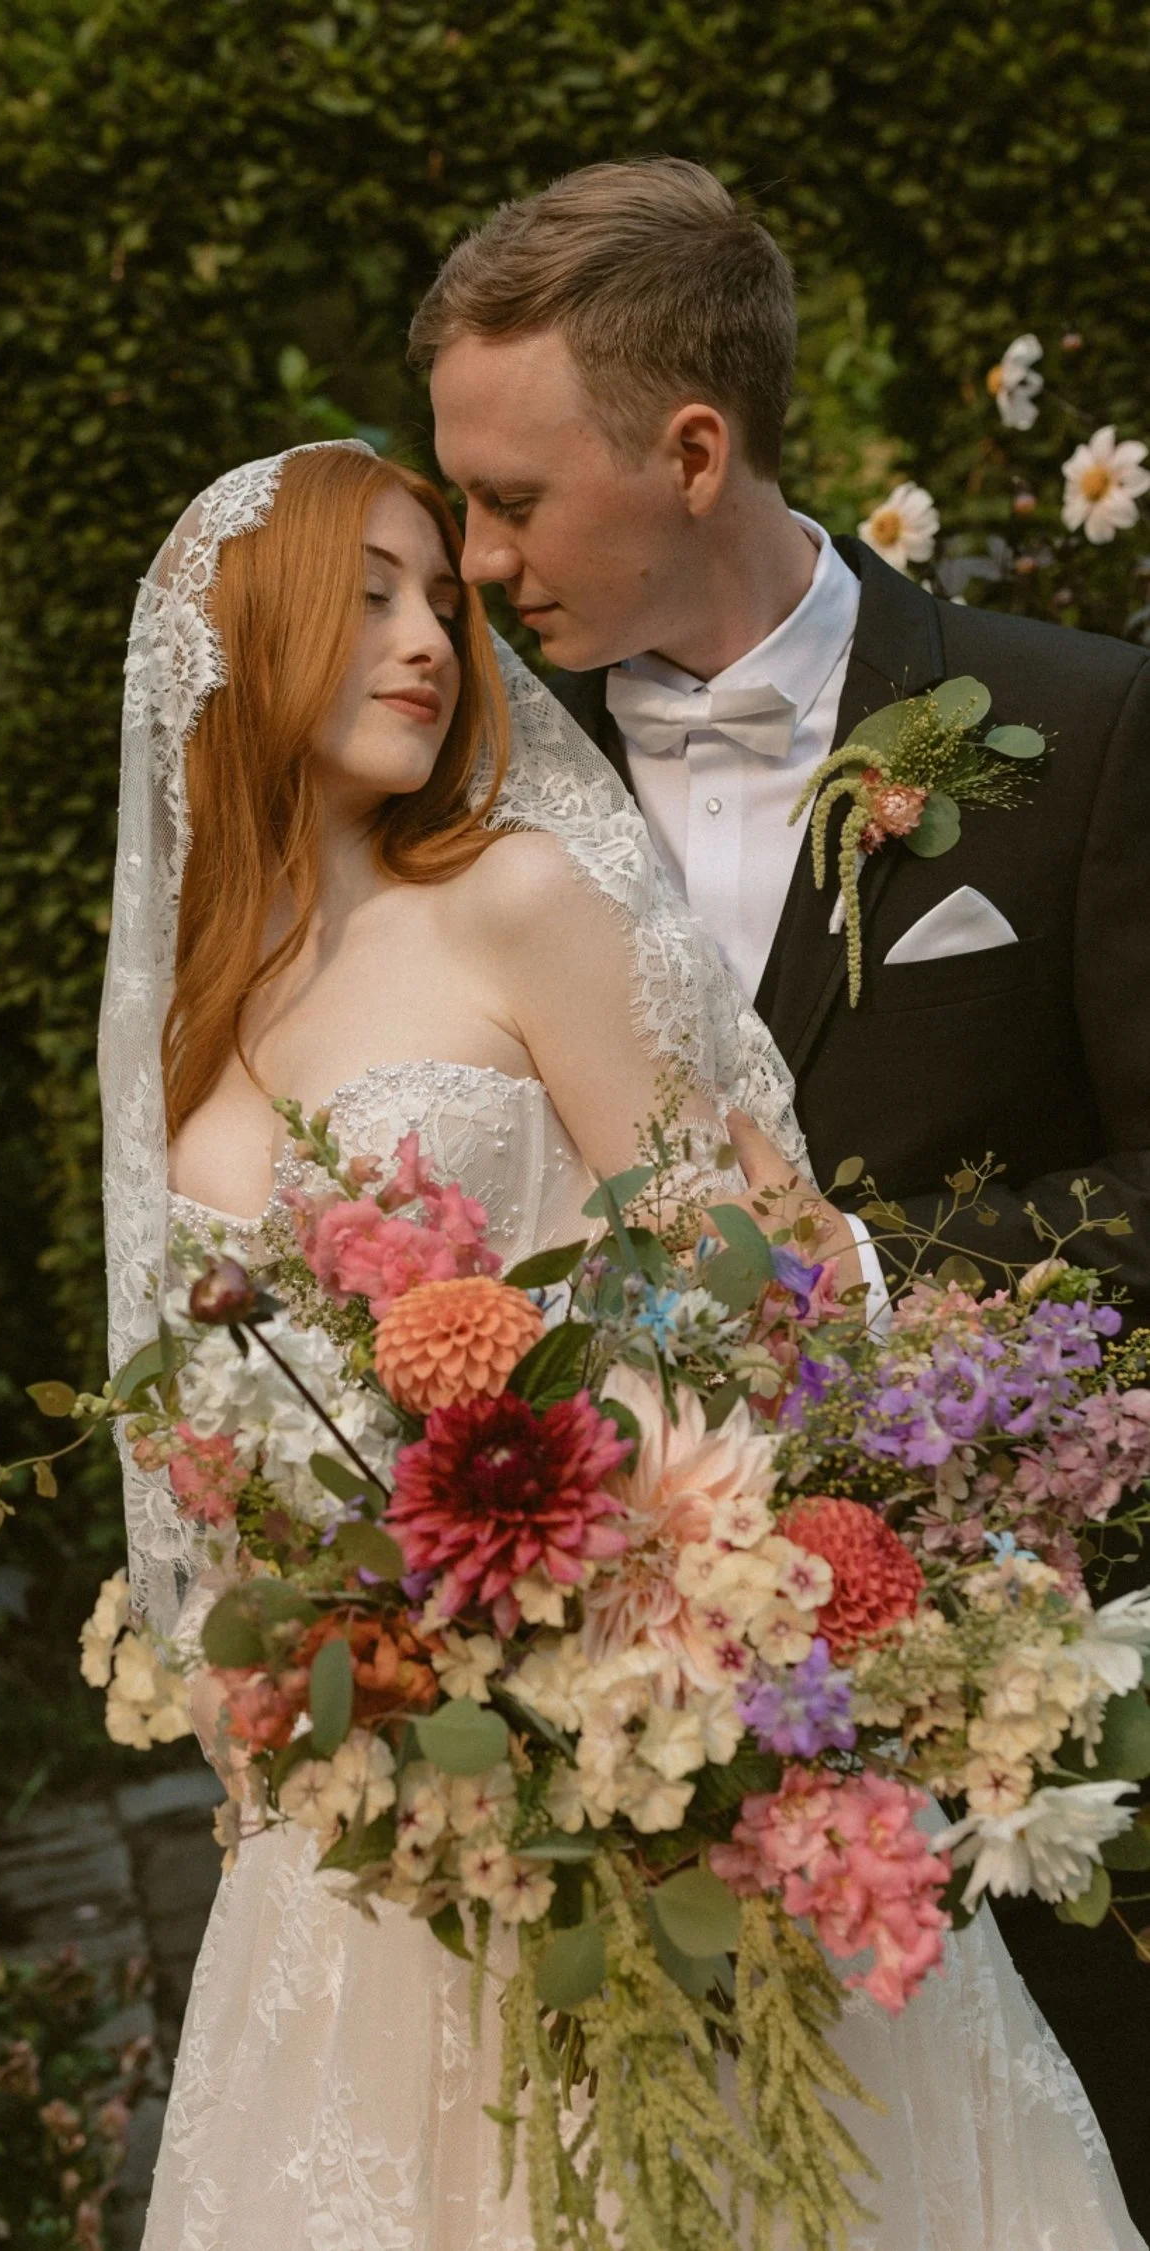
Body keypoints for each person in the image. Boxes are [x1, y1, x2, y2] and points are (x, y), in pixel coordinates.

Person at [100, 437, 1143, 2249]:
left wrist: (617, 1604)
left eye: (439, 597)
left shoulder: (515, 898)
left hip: (619, 1732)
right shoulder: (192, 1008)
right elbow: (203, 1430)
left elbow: (739, 1274)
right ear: (240, 642)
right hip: (360, 1814)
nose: (432, 635)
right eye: (368, 601)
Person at [414, 155, 1150, 2216]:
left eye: (514, 499)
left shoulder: (1082, 731)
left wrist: (855, 1273)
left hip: (1026, 1722)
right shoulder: (470, 804)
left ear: (694, 446)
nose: (472, 562)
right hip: (627, 1752)